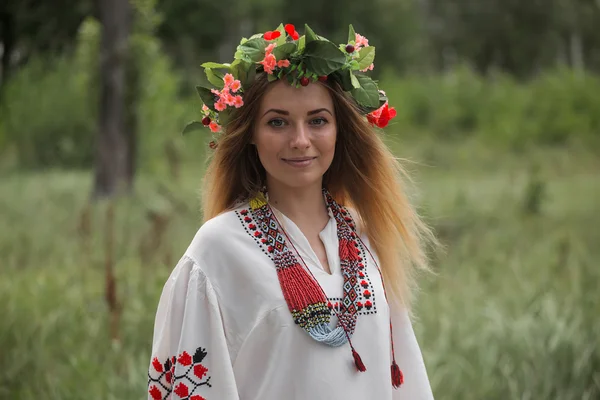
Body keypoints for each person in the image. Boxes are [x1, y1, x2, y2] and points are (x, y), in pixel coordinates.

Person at [147, 23, 436, 400]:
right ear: (250, 133)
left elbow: (405, 383)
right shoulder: (218, 250)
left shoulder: (366, 238)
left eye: (317, 120)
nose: (300, 141)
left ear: (338, 131)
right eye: (277, 122)